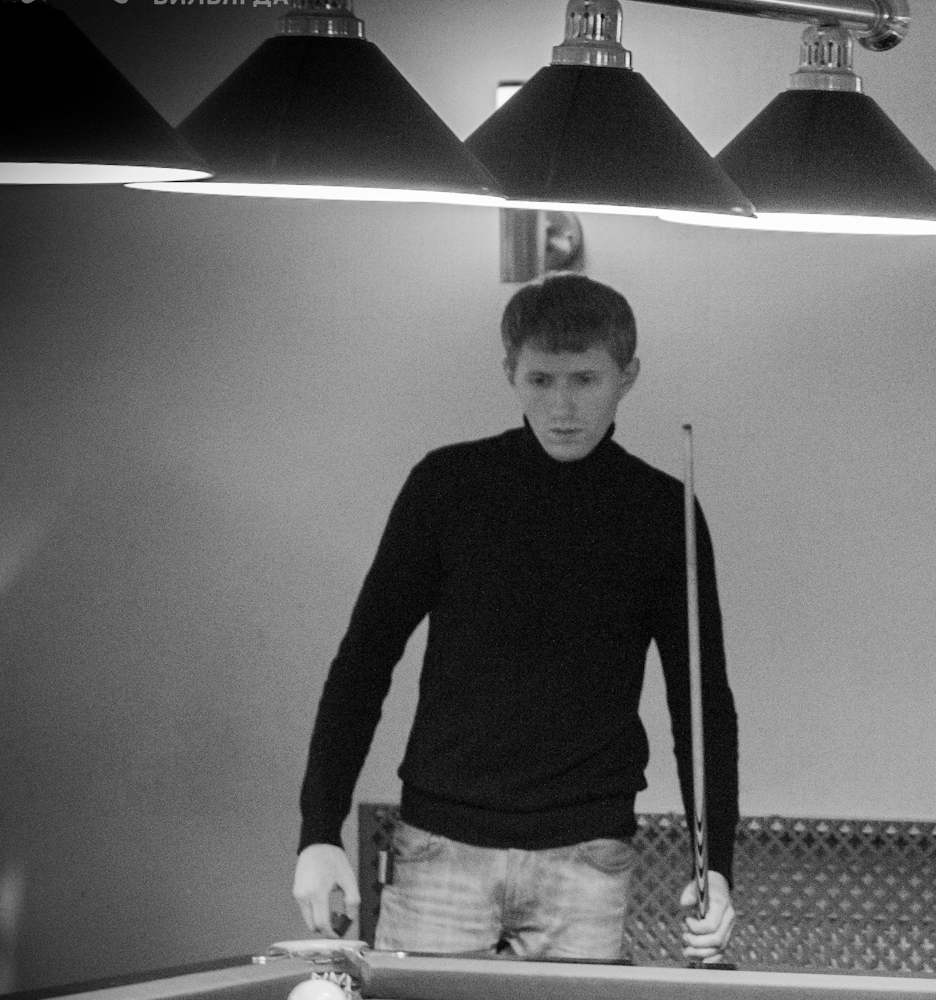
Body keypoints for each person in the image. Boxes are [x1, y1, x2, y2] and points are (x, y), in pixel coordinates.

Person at [291, 274, 739, 964]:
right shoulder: (448, 486)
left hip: (587, 856)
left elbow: (702, 705)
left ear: (627, 377)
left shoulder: (662, 512)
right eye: (540, 379)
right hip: (441, 847)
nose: (562, 406)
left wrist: (716, 866)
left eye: (585, 379)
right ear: (510, 372)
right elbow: (363, 664)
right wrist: (319, 829)